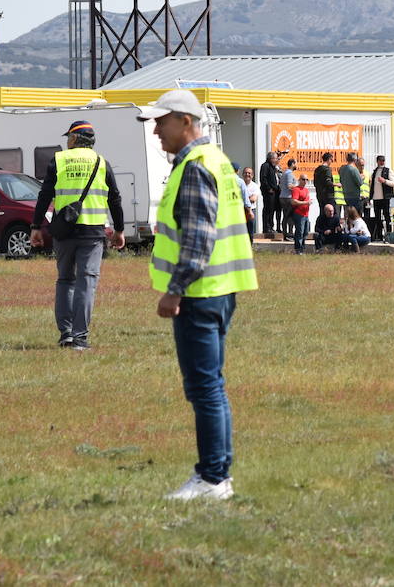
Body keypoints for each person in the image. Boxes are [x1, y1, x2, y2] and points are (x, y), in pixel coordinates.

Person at [138, 89, 257, 501]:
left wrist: (174, 292)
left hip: (198, 294)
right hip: (221, 290)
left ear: (185, 121)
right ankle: (217, 476)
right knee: (212, 386)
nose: (156, 131)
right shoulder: (218, 162)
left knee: (204, 388)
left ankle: (212, 478)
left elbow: (198, 239)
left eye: (161, 121)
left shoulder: (194, 166)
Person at [29, 119, 127, 350]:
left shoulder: (59, 160)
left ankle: (66, 334)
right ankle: (80, 338)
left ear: (74, 139)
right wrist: (119, 230)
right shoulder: (102, 162)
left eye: (68, 137)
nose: (67, 141)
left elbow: (44, 195)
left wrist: (35, 226)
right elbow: (115, 198)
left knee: (65, 280)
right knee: (86, 282)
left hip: (64, 230)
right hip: (92, 232)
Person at [370, 154, 394, 240]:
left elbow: (393, 183)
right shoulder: (375, 171)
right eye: (380, 160)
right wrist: (370, 197)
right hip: (376, 198)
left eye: (383, 160)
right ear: (377, 161)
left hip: (385, 198)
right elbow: (372, 185)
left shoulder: (388, 171)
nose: (382, 162)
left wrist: (384, 181)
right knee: (377, 218)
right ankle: (379, 236)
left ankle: (388, 235)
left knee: (387, 217)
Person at [258, 151, 282, 239]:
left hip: (275, 191)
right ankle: (267, 227)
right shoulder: (265, 166)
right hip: (268, 192)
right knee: (268, 209)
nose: (276, 160)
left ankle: (271, 227)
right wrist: (268, 188)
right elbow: (263, 178)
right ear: (271, 158)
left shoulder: (273, 167)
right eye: (275, 158)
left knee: (272, 210)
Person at [288, 175, 311, 254]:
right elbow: (293, 201)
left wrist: (308, 203)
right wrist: (306, 203)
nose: (305, 181)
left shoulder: (306, 190)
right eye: (303, 179)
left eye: (306, 179)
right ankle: (298, 249)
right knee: (299, 232)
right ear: (299, 180)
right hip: (299, 214)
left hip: (306, 214)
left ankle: (302, 248)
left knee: (306, 232)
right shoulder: (296, 189)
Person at [339, 152, 364, 221]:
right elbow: (360, 183)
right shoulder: (354, 169)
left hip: (346, 195)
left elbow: (341, 181)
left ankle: (349, 229)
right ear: (355, 160)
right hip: (354, 196)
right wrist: (362, 177)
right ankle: (355, 230)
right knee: (356, 216)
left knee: (349, 215)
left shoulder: (342, 169)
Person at [279, 158, 297, 240]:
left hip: (283, 197)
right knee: (290, 217)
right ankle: (289, 234)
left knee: (285, 216)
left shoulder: (284, 173)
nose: (297, 165)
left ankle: (285, 234)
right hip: (288, 198)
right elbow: (290, 186)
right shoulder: (289, 173)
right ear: (293, 164)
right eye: (296, 163)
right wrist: (298, 188)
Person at [241, 167, 261, 237]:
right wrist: (248, 198)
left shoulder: (255, 186)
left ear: (252, 175)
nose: (247, 174)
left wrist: (243, 198)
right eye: (245, 173)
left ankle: (250, 246)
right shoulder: (239, 184)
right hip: (240, 210)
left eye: (249, 173)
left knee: (250, 231)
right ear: (242, 174)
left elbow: (253, 199)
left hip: (251, 210)